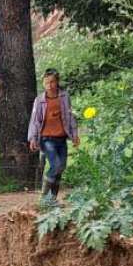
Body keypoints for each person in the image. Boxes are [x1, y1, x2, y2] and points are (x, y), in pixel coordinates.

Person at [27, 69, 80, 202]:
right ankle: (44, 198)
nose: (49, 85)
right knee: (56, 165)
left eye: (52, 82)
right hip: (46, 138)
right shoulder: (39, 100)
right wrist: (33, 138)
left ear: (57, 82)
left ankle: (52, 199)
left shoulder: (64, 97)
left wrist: (75, 134)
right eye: (46, 83)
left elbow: (70, 115)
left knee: (61, 167)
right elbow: (35, 120)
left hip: (61, 138)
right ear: (43, 84)